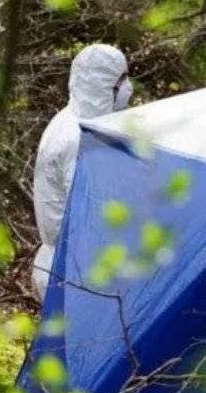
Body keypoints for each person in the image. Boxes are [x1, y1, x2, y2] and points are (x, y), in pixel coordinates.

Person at [32, 44, 133, 300]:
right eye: (122, 79)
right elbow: (90, 215)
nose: (128, 86)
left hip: (64, 264)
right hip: (75, 274)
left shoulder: (71, 120)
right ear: (104, 84)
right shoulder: (80, 140)